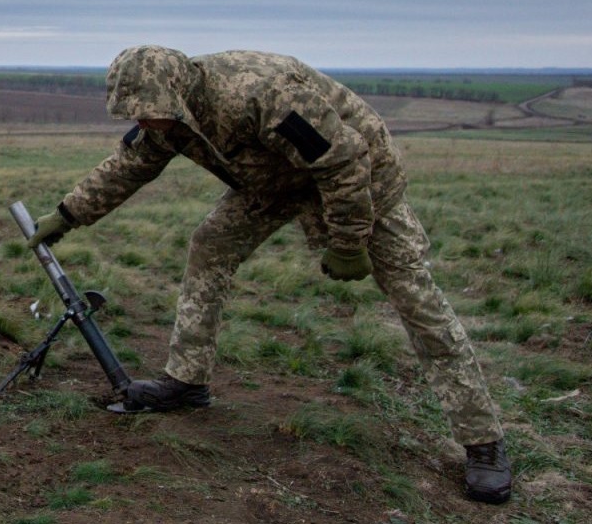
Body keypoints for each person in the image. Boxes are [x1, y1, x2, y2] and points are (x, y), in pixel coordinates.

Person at [26, 45, 512, 504]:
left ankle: (483, 442)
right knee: (210, 247)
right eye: (133, 111)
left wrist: (348, 242)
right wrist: (68, 214)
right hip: (275, 182)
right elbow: (128, 165)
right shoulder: (166, 118)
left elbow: (343, 159)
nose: (141, 120)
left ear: (174, 93)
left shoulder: (259, 93)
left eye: (146, 110)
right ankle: (186, 381)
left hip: (362, 184)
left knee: (415, 298)